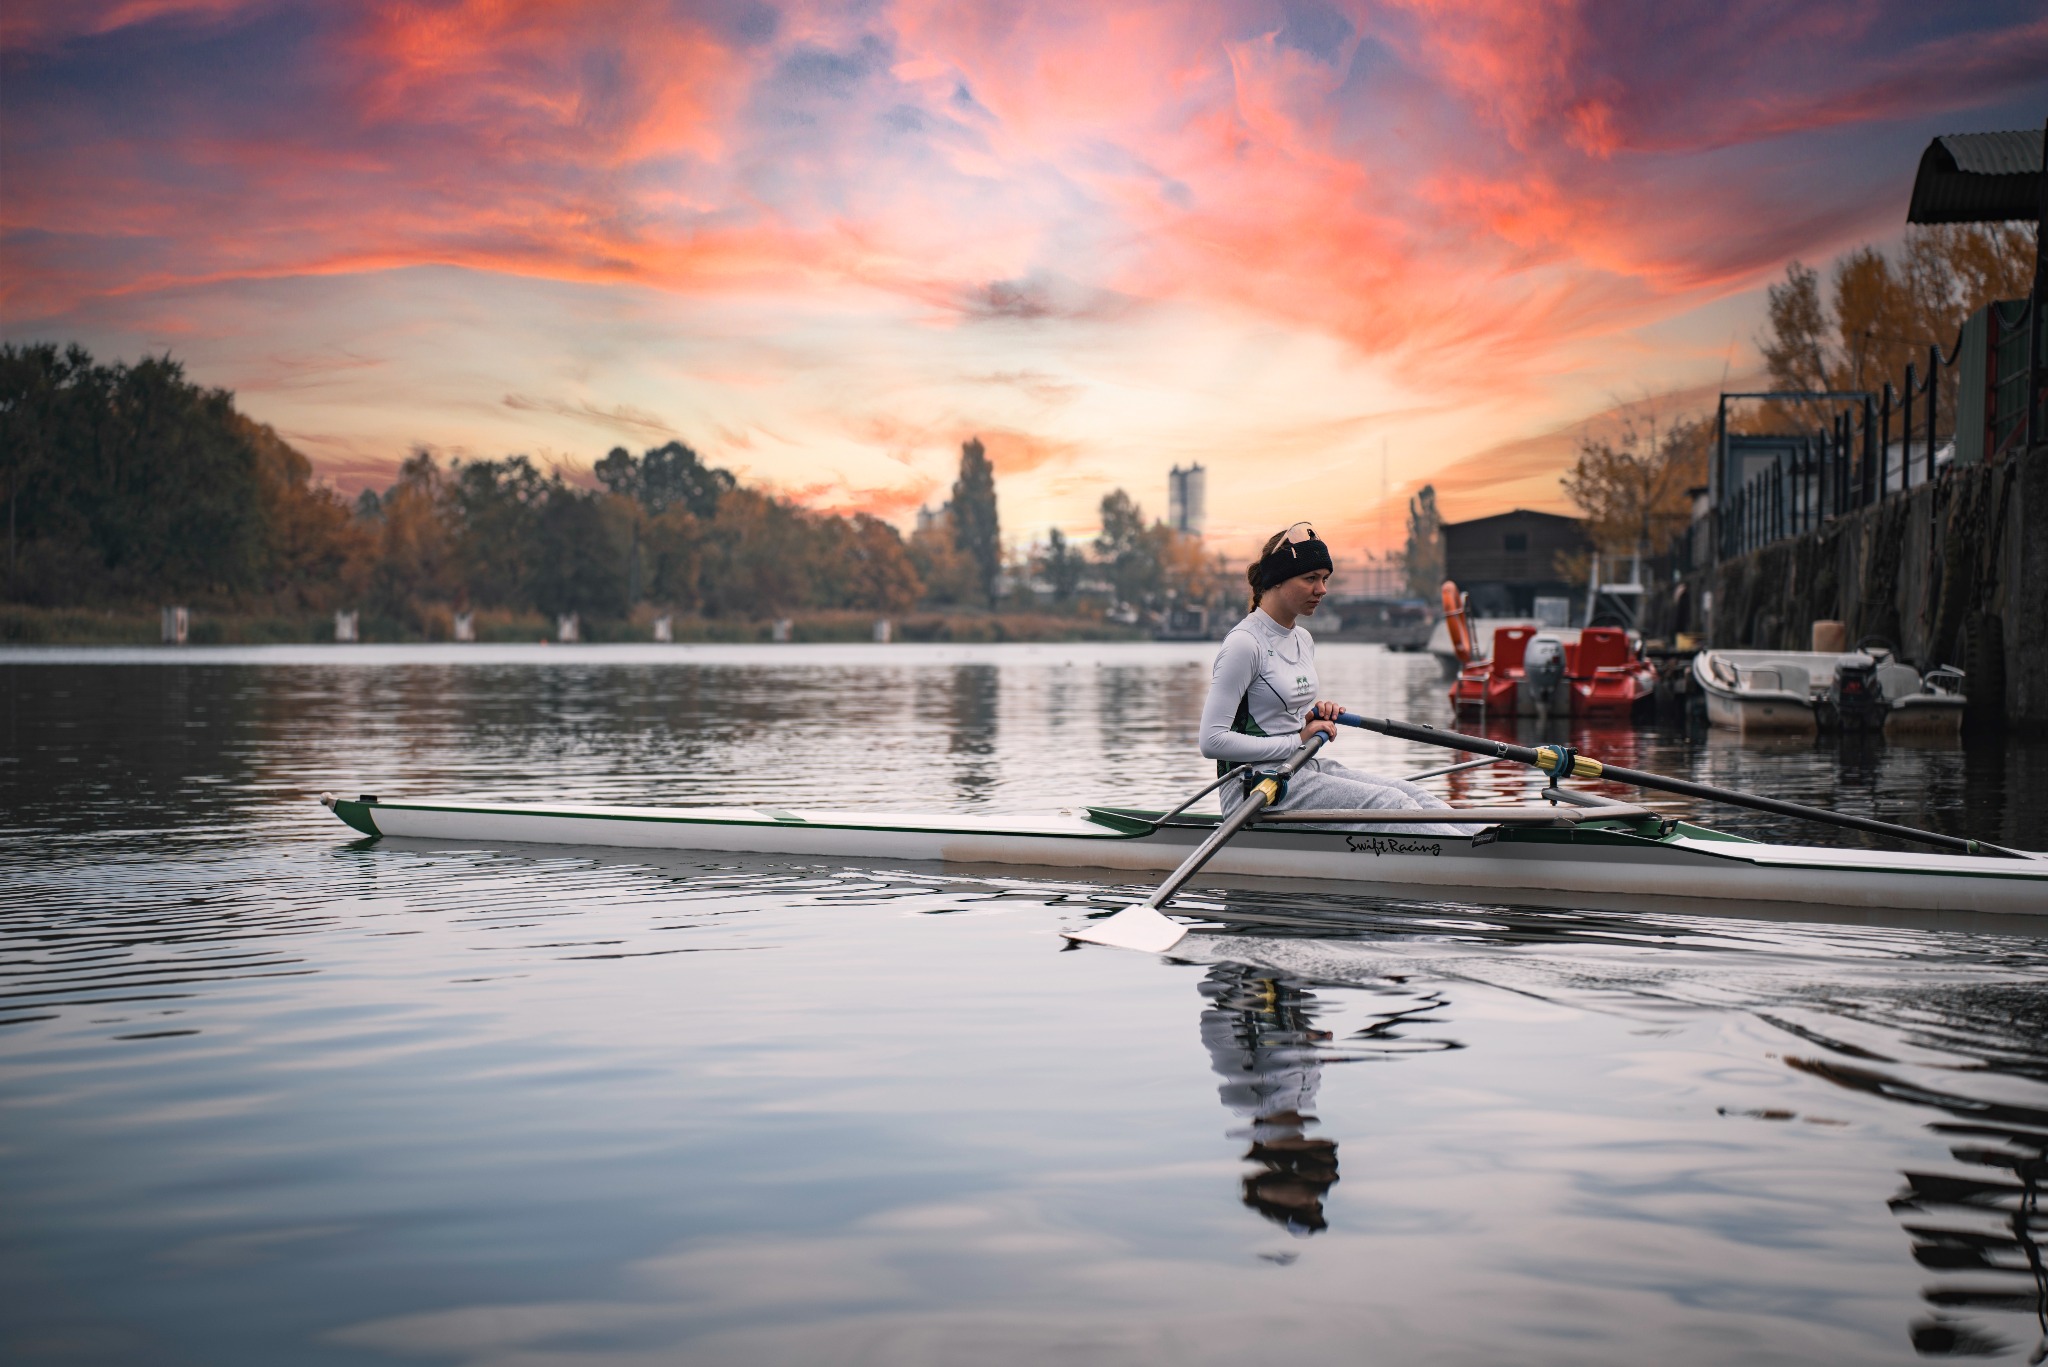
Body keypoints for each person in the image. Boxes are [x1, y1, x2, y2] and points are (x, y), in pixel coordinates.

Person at [1200, 522, 1474, 836]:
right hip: (1253, 788)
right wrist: (1298, 739)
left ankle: (1490, 843)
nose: (1322, 590)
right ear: (1276, 580)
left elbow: (1271, 717)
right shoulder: (1244, 644)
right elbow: (1212, 741)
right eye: (1310, 579)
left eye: (1325, 579)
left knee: (1414, 794)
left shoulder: (1302, 638)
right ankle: (1472, 868)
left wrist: (1309, 717)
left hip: (1299, 767)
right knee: (1390, 803)